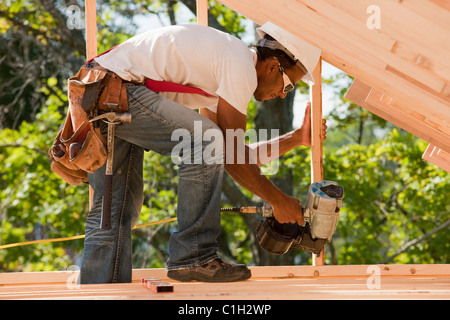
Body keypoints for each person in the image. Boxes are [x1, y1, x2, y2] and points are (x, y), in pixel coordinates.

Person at [78, 21, 327, 284]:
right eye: (288, 86)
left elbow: (225, 155)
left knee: (114, 210)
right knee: (207, 140)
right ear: (273, 66)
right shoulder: (239, 63)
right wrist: (279, 201)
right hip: (116, 88)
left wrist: (296, 138)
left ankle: (101, 290)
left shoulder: (222, 71)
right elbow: (228, 153)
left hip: (100, 92)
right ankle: (193, 256)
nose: (283, 95)